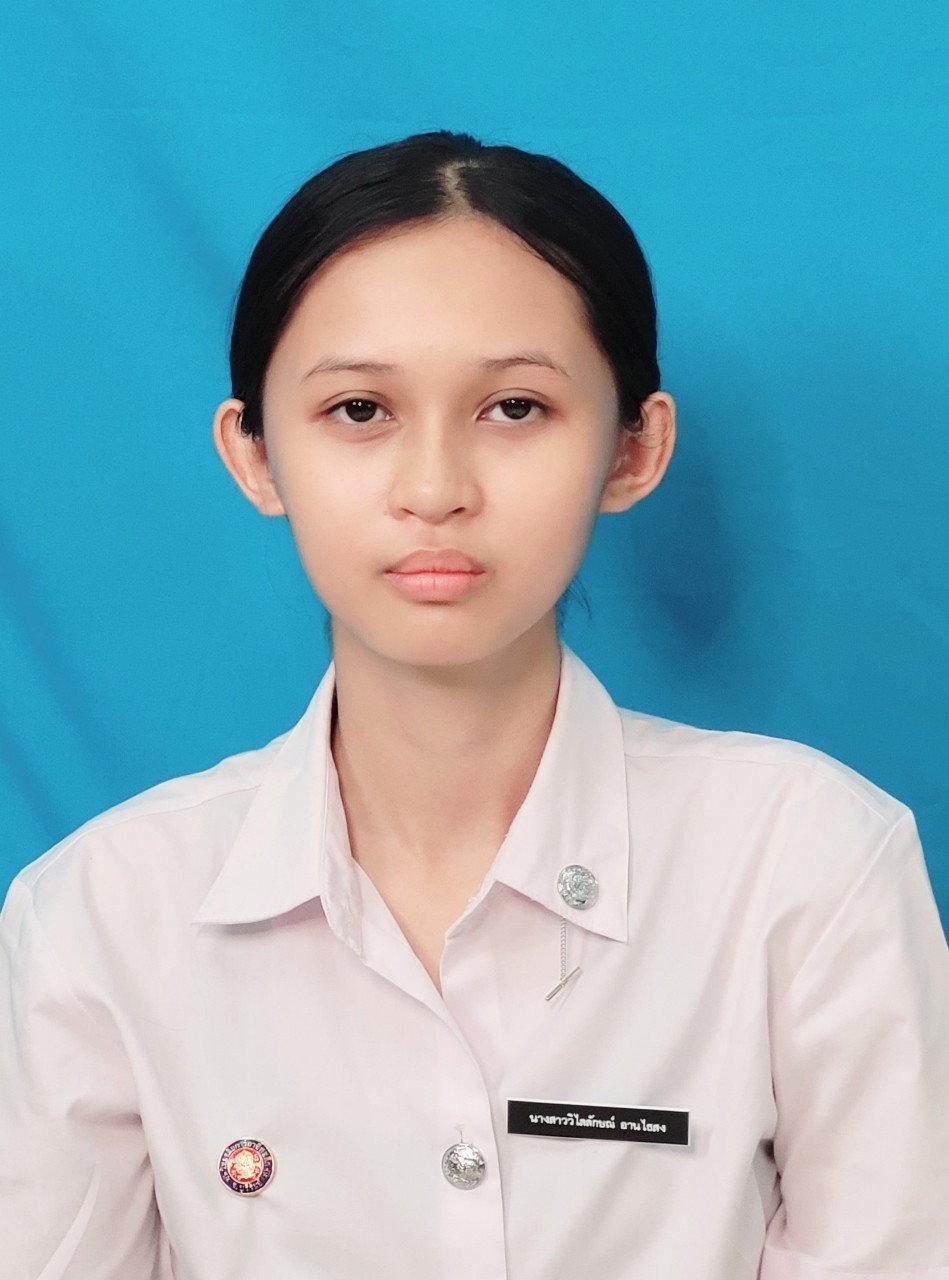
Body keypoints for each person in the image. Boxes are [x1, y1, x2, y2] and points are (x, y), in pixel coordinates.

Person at [1, 128, 947, 1280]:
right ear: (253, 454)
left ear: (634, 449)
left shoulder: (805, 864)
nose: (435, 489)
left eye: (514, 408)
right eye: (360, 410)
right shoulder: (102, 916)